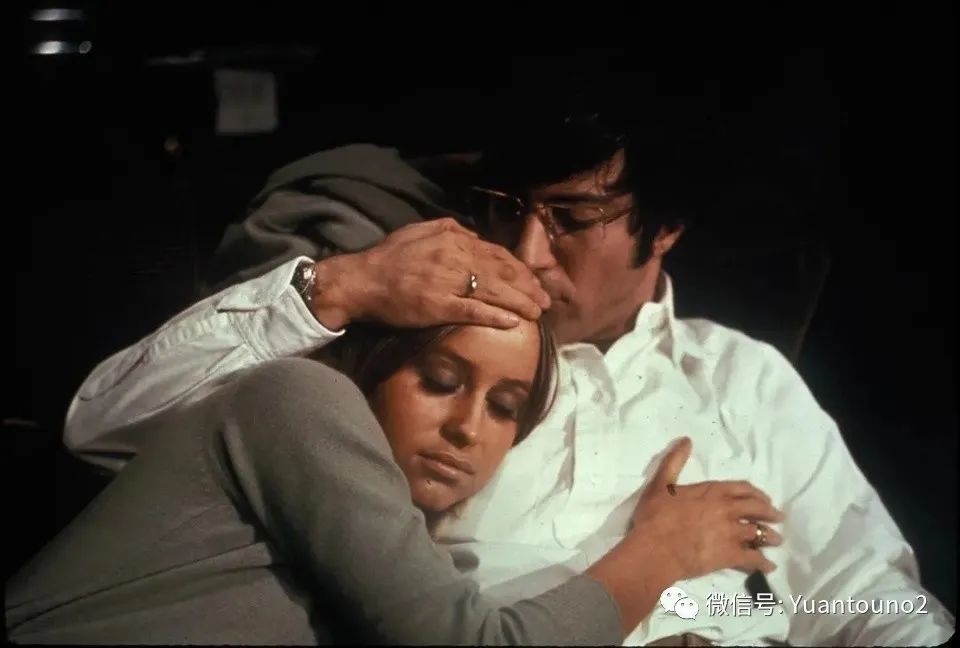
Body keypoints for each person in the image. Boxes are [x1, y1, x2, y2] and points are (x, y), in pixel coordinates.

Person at [58, 101, 954, 645]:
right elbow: (102, 428)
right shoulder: (421, 350)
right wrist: (341, 285)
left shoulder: (744, 377)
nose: (527, 251)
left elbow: (859, 596)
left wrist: (710, 615)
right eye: (507, 210)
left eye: (573, 218)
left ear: (666, 226)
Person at [6, 317, 785, 644]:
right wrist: (660, 552)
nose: (468, 427)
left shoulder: (393, 553)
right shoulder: (299, 401)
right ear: (377, 364)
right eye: (441, 379)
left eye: (506, 407)